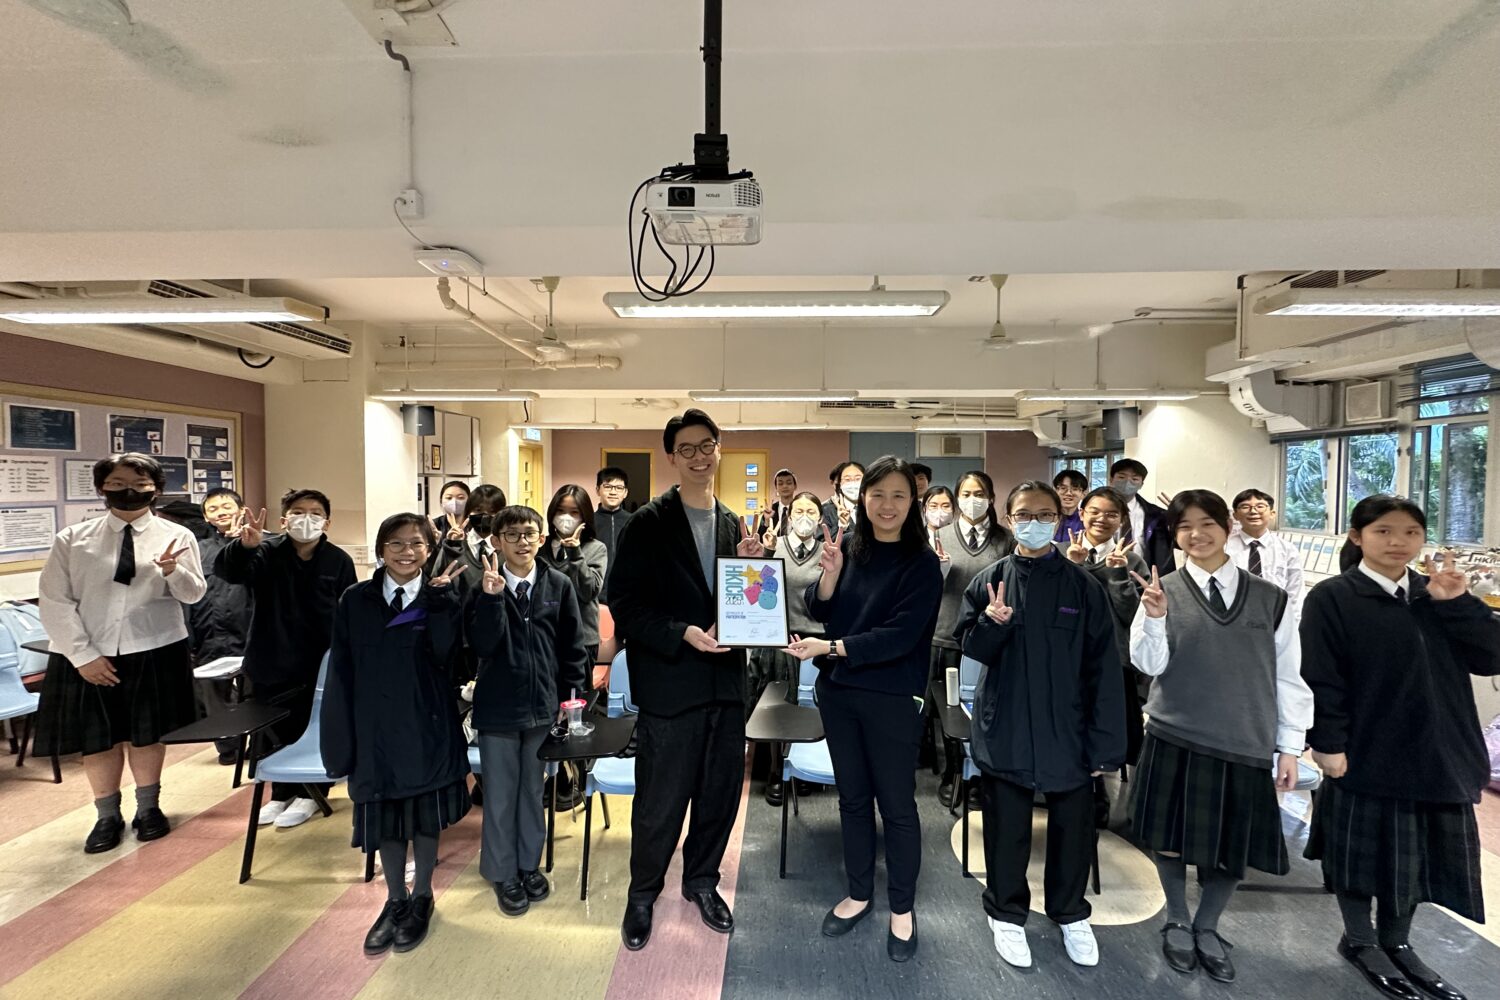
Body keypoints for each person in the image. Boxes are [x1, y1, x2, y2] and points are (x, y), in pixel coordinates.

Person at [1302, 495, 1498, 1000]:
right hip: (1368, 749)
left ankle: (1398, 941)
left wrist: (1458, 603)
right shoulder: (1333, 597)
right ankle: (1360, 939)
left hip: (1438, 751)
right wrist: (1327, 742)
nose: (1398, 542)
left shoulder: (1435, 594)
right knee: (1357, 856)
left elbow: (1491, 657)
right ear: (1357, 536)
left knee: (1412, 859)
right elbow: (1321, 676)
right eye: (1384, 531)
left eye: (1411, 533)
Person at [1127, 489, 1311, 985]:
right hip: (1175, 732)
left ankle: (1208, 926)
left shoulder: (1269, 597)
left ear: (1227, 526)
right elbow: (1148, 664)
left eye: (1207, 523)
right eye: (1184, 526)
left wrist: (1290, 746)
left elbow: (1289, 675)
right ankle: (1177, 919)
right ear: (1175, 535)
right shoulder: (1161, 589)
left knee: (1232, 845)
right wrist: (1156, 617)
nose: (1197, 534)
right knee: (1168, 839)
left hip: (1245, 738)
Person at [608, 408, 764, 951]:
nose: (700, 457)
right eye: (688, 449)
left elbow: (742, 607)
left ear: (720, 449)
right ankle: (642, 894)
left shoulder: (734, 525)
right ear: (672, 457)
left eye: (707, 446)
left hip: (725, 686)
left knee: (719, 797)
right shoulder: (647, 523)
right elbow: (625, 606)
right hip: (671, 686)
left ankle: (701, 881)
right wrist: (682, 633)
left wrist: (748, 568)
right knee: (660, 802)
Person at [954, 480, 1125, 972]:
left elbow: (1104, 670)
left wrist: (1106, 746)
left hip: (1069, 731)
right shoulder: (989, 581)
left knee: (1074, 830)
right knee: (1006, 828)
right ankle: (1006, 913)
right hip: (1006, 723)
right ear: (1009, 520)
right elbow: (971, 649)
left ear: (1059, 519)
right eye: (1025, 514)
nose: (1035, 522)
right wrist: (993, 623)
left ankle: (1070, 912)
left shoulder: (1083, 587)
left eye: (1045, 514)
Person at [786, 456, 942, 963]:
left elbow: (900, 636)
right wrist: (829, 577)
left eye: (898, 495)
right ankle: (858, 893)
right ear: (863, 498)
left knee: (896, 805)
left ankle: (902, 908)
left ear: (913, 501)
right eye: (877, 495)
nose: (887, 505)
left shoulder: (922, 563)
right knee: (852, 799)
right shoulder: (850, 547)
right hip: (841, 693)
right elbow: (821, 609)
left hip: (893, 697)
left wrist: (831, 649)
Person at [35, 453, 207, 854]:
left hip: (154, 646)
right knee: (99, 739)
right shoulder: (73, 539)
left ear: (156, 490)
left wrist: (172, 571)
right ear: (101, 488)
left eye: (140, 485)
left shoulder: (176, 535)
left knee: (147, 735)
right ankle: (106, 815)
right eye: (117, 484)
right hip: (89, 652)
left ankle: (149, 808)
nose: (129, 491)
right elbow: (55, 600)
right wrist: (82, 656)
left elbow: (193, 594)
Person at [321, 514, 470, 956]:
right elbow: (342, 668)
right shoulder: (356, 599)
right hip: (374, 726)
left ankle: (422, 895)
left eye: (417, 544)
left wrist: (442, 606)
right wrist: (341, 735)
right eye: (397, 544)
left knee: (424, 817)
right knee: (384, 816)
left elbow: (450, 660)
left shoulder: (439, 595)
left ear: (430, 549)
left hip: (426, 723)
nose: (407, 552)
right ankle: (394, 900)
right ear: (381, 549)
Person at [467, 506, 589, 916]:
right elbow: (481, 645)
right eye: (512, 534)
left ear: (541, 538)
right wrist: (490, 599)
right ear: (497, 541)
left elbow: (572, 648)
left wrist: (570, 699)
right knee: (500, 795)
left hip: (542, 707)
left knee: (533, 792)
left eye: (529, 534)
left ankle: (527, 865)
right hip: (498, 710)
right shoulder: (483, 587)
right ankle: (502, 872)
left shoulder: (558, 584)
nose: (522, 542)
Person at [217, 488, 356, 830]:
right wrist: (244, 546)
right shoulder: (264, 552)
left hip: (319, 663)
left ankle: (312, 793)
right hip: (271, 657)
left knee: (315, 726)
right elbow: (230, 572)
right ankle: (280, 793)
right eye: (298, 511)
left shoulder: (338, 560)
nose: (306, 518)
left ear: (327, 522)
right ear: (283, 520)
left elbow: (350, 610)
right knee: (273, 731)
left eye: (315, 513)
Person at [930, 471, 1014, 807]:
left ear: (991, 498)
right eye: (965, 494)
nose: (972, 500)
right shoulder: (938, 536)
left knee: (985, 708)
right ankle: (953, 772)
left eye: (979, 494)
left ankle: (980, 774)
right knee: (949, 711)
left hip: (989, 638)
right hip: (945, 634)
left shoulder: (1005, 540)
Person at [1061, 487, 1149, 766]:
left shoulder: (1133, 560)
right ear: (1081, 513)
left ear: (1122, 519)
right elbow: (1059, 607)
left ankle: (1104, 782)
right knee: (1068, 730)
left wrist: (1119, 573)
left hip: (1114, 659)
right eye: (1095, 512)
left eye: (1112, 514)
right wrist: (1073, 567)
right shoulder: (1060, 554)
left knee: (1109, 733)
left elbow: (1134, 616)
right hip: (1067, 656)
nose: (1102, 519)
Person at [754, 489, 830, 806]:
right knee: (778, 707)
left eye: (811, 512)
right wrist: (765, 555)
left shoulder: (828, 551)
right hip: (779, 639)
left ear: (821, 518)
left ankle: (802, 768)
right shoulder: (775, 545)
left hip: (815, 640)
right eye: (798, 511)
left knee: (809, 706)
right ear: (788, 516)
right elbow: (758, 592)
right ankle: (775, 770)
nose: (804, 517)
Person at [187, 488, 254, 764]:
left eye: (227, 506)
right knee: (215, 695)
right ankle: (229, 748)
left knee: (255, 692)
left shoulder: (262, 544)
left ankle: (260, 745)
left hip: (252, 631)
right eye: (213, 509)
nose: (221, 512)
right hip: (211, 632)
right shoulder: (197, 550)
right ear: (205, 516)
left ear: (241, 509)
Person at [537, 485, 608, 665]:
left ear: (584, 516)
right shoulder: (539, 547)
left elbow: (589, 592)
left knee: (577, 684)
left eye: (574, 512)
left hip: (582, 639)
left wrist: (575, 552)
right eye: (560, 511)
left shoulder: (596, 548)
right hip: (543, 637)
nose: (566, 517)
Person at [1225, 488, 1306, 623]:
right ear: (1235, 515)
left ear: (1272, 513)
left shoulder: (1287, 549)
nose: (1253, 511)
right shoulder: (1224, 548)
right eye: (1245, 507)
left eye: (1260, 506)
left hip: (1275, 618)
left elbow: (1295, 592)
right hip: (1234, 619)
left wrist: (1293, 625)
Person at [431, 483, 508, 606]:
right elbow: (436, 580)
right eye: (478, 510)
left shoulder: (508, 547)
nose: (485, 516)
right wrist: (450, 545)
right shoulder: (454, 545)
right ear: (468, 511)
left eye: (492, 511)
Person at [1109, 459, 1175, 576]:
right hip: (1104, 574)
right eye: (1121, 477)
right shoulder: (1095, 512)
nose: (1127, 482)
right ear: (1111, 480)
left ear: (1141, 484)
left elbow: (1179, 543)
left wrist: (1180, 517)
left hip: (1143, 576)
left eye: (1134, 479)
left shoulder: (1157, 515)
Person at [593, 467, 632, 602]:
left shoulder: (634, 521)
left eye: (619, 488)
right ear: (598, 490)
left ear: (625, 493)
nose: (613, 492)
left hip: (627, 594)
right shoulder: (588, 522)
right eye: (608, 487)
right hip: (595, 594)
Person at [821, 461, 864, 535]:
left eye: (858, 479)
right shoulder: (826, 511)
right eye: (847, 479)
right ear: (840, 483)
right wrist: (842, 527)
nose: (853, 483)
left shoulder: (874, 508)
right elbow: (823, 540)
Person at [1051, 469, 1088, 542]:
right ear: (1056, 491)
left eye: (1075, 489)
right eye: (1063, 488)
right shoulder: (1046, 517)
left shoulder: (1086, 520)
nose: (1068, 493)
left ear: (1083, 494)